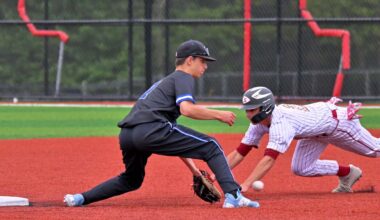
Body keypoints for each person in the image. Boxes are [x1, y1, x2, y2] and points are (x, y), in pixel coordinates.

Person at [63, 39, 259, 208]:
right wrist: (218, 114)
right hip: (151, 129)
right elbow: (187, 109)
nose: (205, 66)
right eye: (203, 60)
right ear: (190, 60)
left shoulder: (165, 82)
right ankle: (234, 195)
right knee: (211, 145)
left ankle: (80, 198)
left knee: (131, 180)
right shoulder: (184, 77)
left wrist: (194, 171)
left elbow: (175, 140)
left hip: (128, 135)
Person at [227, 86, 380, 192]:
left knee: (375, 150)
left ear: (265, 107)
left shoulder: (281, 122)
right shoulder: (259, 123)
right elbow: (240, 151)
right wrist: (215, 175)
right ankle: (348, 173)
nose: (248, 114)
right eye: (247, 110)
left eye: (252, 110)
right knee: (301, 168)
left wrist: (245, 185)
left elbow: (269, 159)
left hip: (338, 124)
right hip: (313, 132)